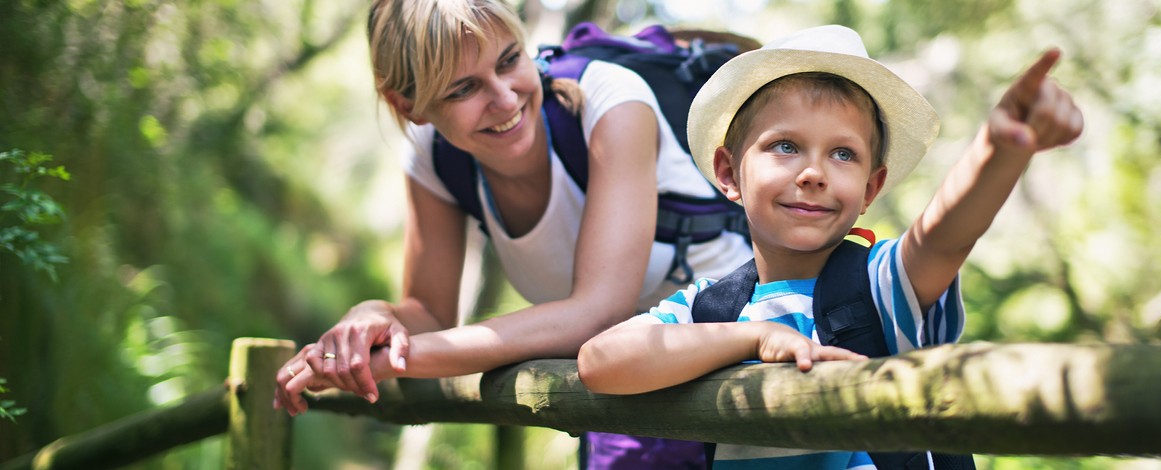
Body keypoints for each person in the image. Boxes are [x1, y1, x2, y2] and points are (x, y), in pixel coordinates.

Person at [576, 24, 1083, 468]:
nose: (814, 173)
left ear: (869, 189)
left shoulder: (881, 287)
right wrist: (751, 340)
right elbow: (600, 362)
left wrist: (997, 151)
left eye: (843, 153)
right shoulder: (710, 306)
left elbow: (943, 239)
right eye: (785, 146)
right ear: (729, 173)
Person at [273, 0, 753, 467]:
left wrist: (397, 359)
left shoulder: (612, 100)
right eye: (463, 89)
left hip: (741, 357)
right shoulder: (431, 155)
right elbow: (427, 312)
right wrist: (370, 319)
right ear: (408, 105)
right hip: (627, 383)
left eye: (509, 60)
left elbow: (598, 312)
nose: (505, 98)